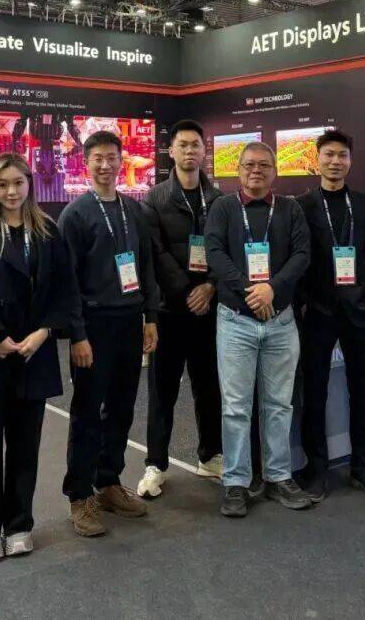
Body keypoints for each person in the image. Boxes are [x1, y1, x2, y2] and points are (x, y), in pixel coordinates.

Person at [0, 153, 78, 563]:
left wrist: (45, 331)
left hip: (32, 352)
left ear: (29, 184)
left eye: (18, 183)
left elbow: (63, 288)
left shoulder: (47, 231)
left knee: (25, 446)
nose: (11, 192)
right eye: (2, 184)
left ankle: (19, 523)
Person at [58, 130, 160, 536]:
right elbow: (66, 282)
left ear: (122, 161)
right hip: (93, 327)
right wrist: (77, 334)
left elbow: (146, 267)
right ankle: (79, 495)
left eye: (112, 157)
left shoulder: (134, 210)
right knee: (87, 412)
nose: (105, 165)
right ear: (86, 164)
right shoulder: (75, 215)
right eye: (97, 158)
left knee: (121, 407)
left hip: (130, 321)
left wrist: (150, 317)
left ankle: (108, 482)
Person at [205, 141, 312, 518]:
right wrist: (252, 291)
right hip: (236, 320)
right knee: (236, 407)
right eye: (249, 164)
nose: (256, 171)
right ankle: (236, 482)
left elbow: (302, 255)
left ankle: (279, 475)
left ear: (274, 171)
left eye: (264, 165)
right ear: (238, 170)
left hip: (281, 321)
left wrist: (272, 289)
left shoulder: (290, 209)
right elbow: (215, 254)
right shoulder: (223, 208)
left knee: (279, 404)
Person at [295, 130, 365, 501]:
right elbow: (297, 258)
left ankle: (363, 467)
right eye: (329, 155)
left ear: (350, 160)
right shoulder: (302, 206)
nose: (335, 161)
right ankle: (316, 469)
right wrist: (304, 301)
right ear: (317, 159)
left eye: (342, 155)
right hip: (318, 312)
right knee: (314, 393)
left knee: (363, 392)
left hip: (361, 311)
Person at [137, 120, 224, 498]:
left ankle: (211, 456)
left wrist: (211, 286)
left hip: (209, 311)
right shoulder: (154, 199)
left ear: (205, 151)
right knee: (162, 392)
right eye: (183, 145)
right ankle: (155, 464)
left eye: (196, 145)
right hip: (170, 312)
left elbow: (226, 249)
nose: (190, 151)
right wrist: (189, 291)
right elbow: (155, 253)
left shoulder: (218, 199)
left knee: (209, 388)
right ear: (170, 151)